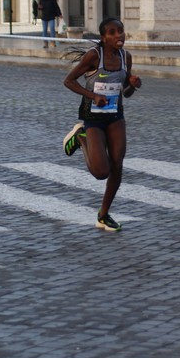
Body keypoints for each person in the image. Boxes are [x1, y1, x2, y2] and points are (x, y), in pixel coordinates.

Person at [62, 17, 142, 232]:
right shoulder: (93, 56)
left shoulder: (126, 57)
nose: (119, 36)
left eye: (121, 31)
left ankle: (104, 215)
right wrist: (92, 95)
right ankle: (81, 136)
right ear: (103, 37)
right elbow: (68, 81)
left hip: (116, 115)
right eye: (113, 32)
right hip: (93, 116)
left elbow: (125, 92)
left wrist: (133, 85)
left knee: (117, 165)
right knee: (101, 172)